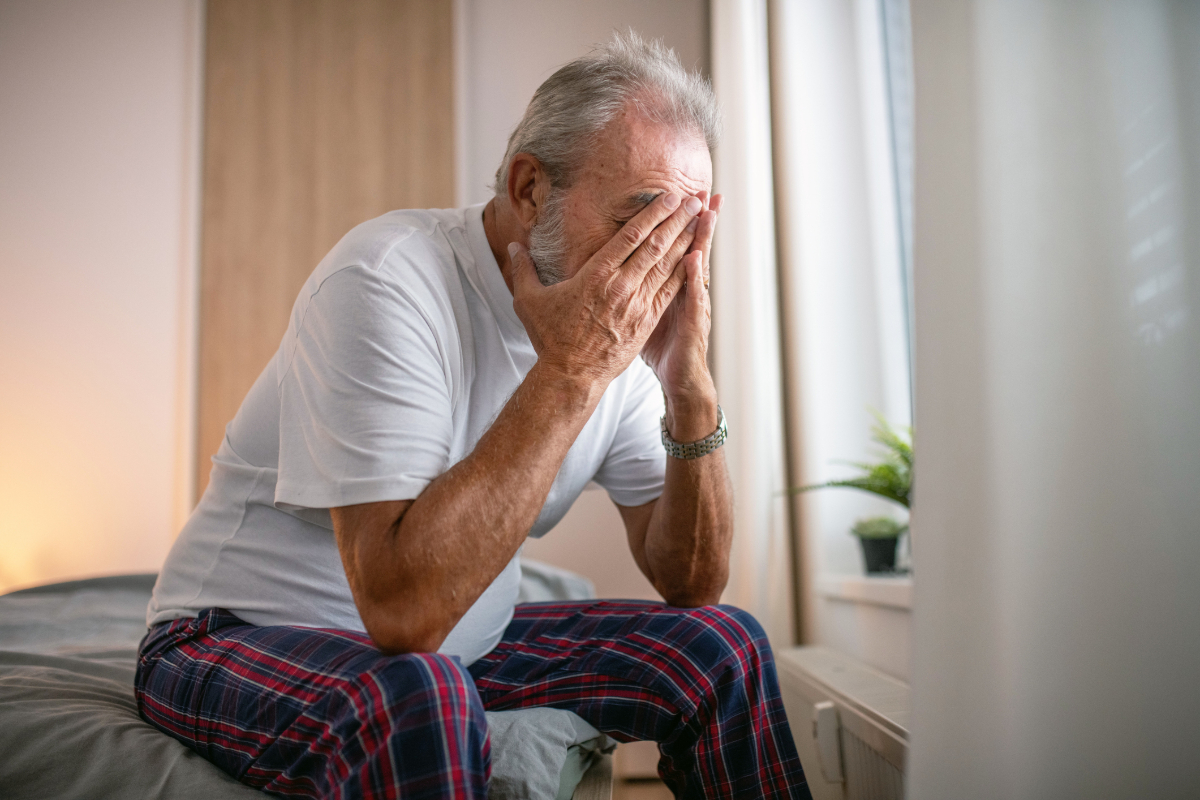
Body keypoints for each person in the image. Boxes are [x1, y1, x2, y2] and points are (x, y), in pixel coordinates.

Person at [135, 32, 809, 799]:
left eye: (686, 232)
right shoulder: (388, 280)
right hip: (239, 632)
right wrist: (572, 368)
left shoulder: (624, 323)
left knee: (721, 645)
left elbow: (691, 580)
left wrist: (691, 387)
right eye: (644, 221)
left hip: (457, 644)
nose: (664, 263)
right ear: (529, 190)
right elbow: (401, 613)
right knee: (425, 699)